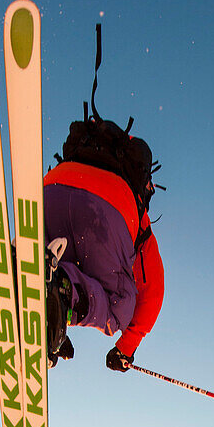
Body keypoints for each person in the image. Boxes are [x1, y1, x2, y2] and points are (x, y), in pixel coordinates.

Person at [43, 124, 164, 372]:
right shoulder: (137, 214)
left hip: (51, 187)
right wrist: (126, 348)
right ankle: (63, 298)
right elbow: (152, 289)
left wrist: (58, 328)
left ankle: (51, 307)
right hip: (106, 210)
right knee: (119, 307)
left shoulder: (79, 157)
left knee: (51, 265)